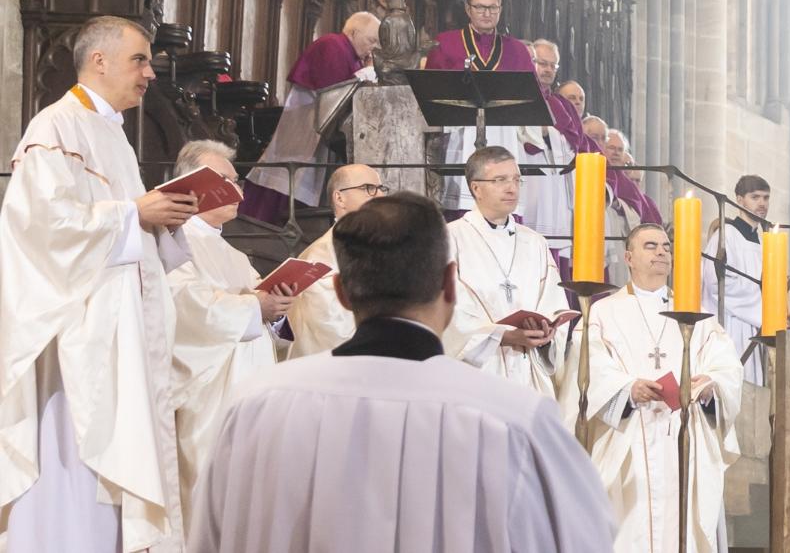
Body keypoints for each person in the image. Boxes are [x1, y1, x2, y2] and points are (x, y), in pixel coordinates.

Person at [188, 191, 615, 552]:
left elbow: (208, 538)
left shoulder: (256, 407)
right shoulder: (515, 419)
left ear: (342, 292)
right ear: (449, 286)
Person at [0, 15, 194, 550]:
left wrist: (162, 217)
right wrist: (136, 213)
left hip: (117, 332)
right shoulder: (56, 126)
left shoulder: (111, 133)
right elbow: (43, 228)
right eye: (140, 59)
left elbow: (123, 224)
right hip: (77, 342)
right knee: (77, 472)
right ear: (99, 61)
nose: (150, 73)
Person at [571, 223, 742, 553]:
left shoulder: (696, 316)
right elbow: (585, 368)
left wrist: (710, 387)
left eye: (666, 246)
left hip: (684, 437)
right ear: (629, 257)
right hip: (629, 439)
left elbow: (726, 367)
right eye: (651, 246)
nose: (662, 251)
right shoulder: (602, 312)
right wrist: (626, 389)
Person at [164, 140, 287, 524]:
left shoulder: (234, 255)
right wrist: (255, 306)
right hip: (209, 397)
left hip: (250, 392)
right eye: (223, 180)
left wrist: (277, 310)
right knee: (208, 496)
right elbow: (185, 307)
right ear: (190, 183)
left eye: (238, 181)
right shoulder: (171, 241)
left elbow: (260, 313)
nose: (237, 190)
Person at [444, 147, 569, 393]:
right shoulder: (450, 238)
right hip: (476, 376)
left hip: (528, 373)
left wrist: (545, 336)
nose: (512, 188)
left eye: (516, 179)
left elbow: (554, 303)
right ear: (476, 188)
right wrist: (501, 335)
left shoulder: (535, 242)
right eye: (500, 180)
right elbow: (444, 310)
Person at [241, 10, 381, 218]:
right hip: (305, 126)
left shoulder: (354, 56)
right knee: (287, 181)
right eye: (371, 40)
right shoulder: (332, 45)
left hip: (323, 132)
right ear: (353, 32)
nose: (373, 49)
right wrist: (366, 74)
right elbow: (333, 91)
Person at [424, 0, 538, 208]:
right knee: (460, 205)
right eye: (480, 7)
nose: (487, 13)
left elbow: (531, 96)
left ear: (500, 9)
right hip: (459, 135)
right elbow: (430, 91)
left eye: (493, 8)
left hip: (503, 134)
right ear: (468, 9)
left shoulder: (516, 49)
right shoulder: (445, 44)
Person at [284, 164, 387, 358]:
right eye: (368, 188)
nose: (380, 196)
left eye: (381, 188)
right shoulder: (321, 255)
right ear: (340, 198)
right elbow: (328, 322)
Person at [518, 39, 598, 248]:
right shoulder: (515, 96)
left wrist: (549, 133)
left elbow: (578, 144)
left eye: (553, 66)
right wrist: (542, 132)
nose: (548, 70)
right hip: (527, 178)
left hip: (556, 184)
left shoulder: (561, 105)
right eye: (543, 63)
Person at [705, 174, 771, 369]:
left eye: (766, 198)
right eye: (755, 197)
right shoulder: (726, 235)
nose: (762, 203)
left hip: (756, 325)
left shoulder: (764, 241)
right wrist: (764, 300)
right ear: (740, 200)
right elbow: (715, 282)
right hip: (732, 325)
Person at [600, 127, 664, 225]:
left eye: (620, 150)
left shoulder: (628, 185)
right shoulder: (598, 172)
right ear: (602, 148)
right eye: (612, 148)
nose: (616, 153)